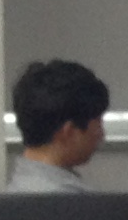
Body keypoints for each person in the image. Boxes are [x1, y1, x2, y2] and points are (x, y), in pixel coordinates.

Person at [8, 57, 110, 193]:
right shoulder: (75, 201)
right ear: (68, 131)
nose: (101, 135)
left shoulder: (13, 191)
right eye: (98, 123)